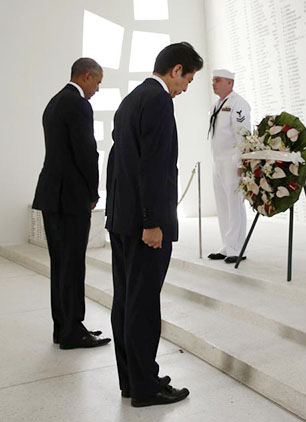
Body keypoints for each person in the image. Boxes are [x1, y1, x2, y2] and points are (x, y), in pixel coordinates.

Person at [105, 42, 203, 407]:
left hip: (121, 221)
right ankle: (147, 388)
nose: (186, 88)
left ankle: (133, 379)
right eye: (188, 79)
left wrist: (118, 215)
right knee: (144, 306)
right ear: (175, 70)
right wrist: (152, 223)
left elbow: (118, 161)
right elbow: (153, 167)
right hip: (143, 225)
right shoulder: (160, 101)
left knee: (126, 303)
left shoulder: (131, 98)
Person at [32, 58, 111, 349]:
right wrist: (93, 192)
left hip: (52, 195)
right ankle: (73, 331)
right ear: (86, 76)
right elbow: (86, 152)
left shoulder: (54, 102)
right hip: (71, 197)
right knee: (73, 265)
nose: (97, 89)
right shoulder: (78, 104)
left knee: (61, 265)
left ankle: (62, 328)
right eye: (98, 82)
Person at [207, 69, 251, 264]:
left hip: (232, 161)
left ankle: (237, 247)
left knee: (234, 204)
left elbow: (243, 134)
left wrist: (242, 162)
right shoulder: (217, 104)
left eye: (217, 80)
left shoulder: (238, 104)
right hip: (218, 161)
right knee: (222, 203)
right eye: (213, 80)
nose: (213, 83)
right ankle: (227, 245)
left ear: (230, 83)